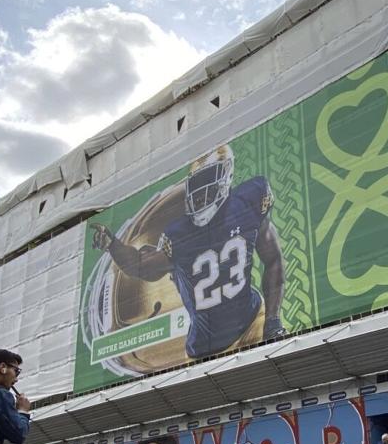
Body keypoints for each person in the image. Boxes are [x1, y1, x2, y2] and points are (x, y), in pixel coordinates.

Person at [90, 145, 287, 360]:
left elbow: (273, 259)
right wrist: (113, 244)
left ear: (226, 175)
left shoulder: (248, 201)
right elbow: (141, 266)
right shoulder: (179, 235)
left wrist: (272, 320)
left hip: (252, 323)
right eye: (197, 183)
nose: (202, 192)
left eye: (209, 179)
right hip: (204, 350)